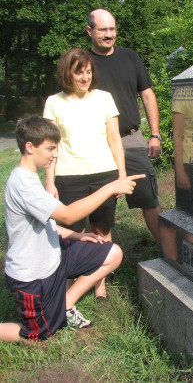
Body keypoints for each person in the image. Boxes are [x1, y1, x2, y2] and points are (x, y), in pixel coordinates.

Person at [0, 116, 144, 342]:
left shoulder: (29, 177)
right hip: (32, 276)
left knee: (112, 253)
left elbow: (47, 224)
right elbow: (68, 214)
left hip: (54, 258)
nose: (55, 154)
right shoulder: (22, 184)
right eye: (50, 148)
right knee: (38, 335)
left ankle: (66, 304)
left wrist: (78, 235)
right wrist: (110, 187)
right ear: (29, 147)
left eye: (56, 148)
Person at [43, 47, 126, 299]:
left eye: (88, 72)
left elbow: (114, 139)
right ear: (67, 73)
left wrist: (121, 176)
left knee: (101, 228)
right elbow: (51, 145)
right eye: (79, 73)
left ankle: (99, 284)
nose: (85, 78)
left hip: (105, 174)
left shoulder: (104, 98)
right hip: (68, 176)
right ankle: (69, 284)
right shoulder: (54, 102)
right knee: (73, 233)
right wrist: (49, 180)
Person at [86, 9, 162, 243]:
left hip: (130, 139)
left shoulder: (130, 57)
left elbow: (148, 96)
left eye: (112, 29)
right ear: (90, 31)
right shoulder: (83, 62)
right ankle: (103, 266)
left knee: (149, 198)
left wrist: (155, 135)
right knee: (100, 207)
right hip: (96, 142)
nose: (109, 35)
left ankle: (169, 255)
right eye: (102, 30)